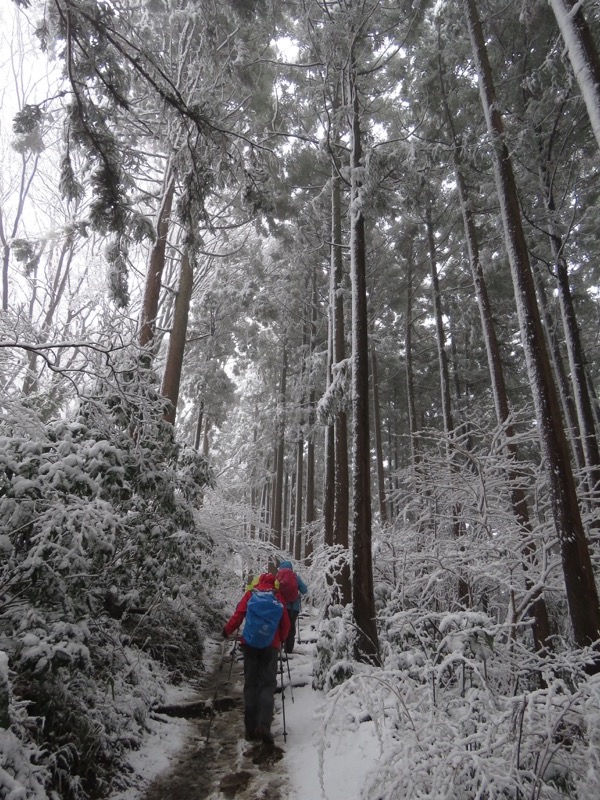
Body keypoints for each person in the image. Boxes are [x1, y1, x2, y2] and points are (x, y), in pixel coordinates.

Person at [222, 572, 290, 745]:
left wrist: (227, 630)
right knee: (267, 684)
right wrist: (281, 638)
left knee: (251, 684)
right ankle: (264, 725)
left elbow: (238, 615)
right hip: (271, 646)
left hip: (250, 644)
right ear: (274, 583)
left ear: (258, 581)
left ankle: (250, 728)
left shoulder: (251, 594)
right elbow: (286, 624)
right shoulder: (278, 597)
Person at [276, 559, 308, 654]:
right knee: (291, 627)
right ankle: (289, 649)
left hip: (281, 606)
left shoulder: (278, 577)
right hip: (294, 607)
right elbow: (305, 590)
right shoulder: (295, 577)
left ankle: (279, 647)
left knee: (281, 626)